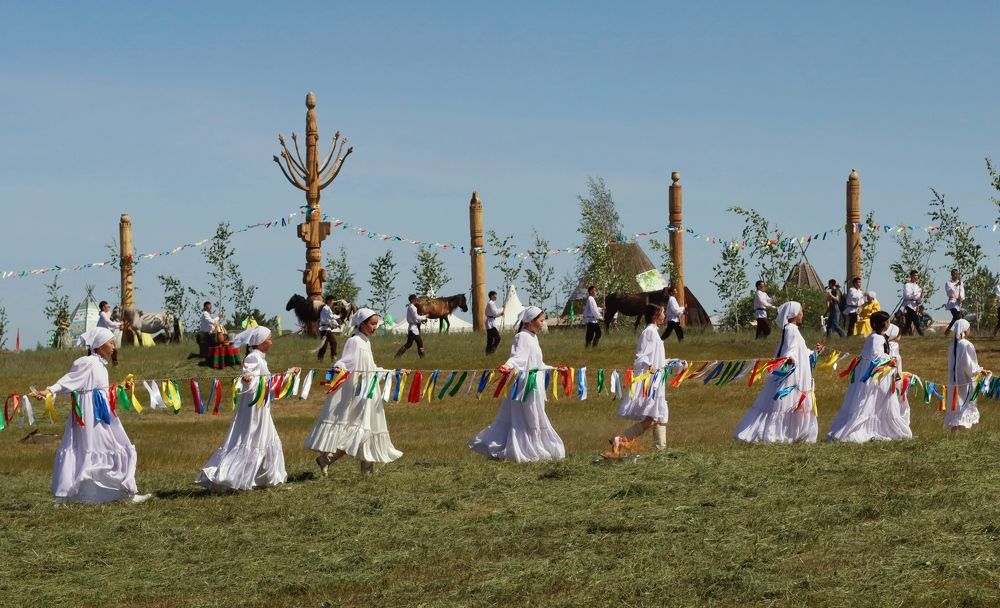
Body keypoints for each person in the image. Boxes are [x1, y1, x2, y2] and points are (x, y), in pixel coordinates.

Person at [31, 327, 149, 504]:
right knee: (98, 445)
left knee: (115, 443)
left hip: (101, 412)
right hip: (87, 414)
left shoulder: (101, 365)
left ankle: (118, 494)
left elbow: (100, 389)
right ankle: (84, 495)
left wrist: (119, 388)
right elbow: (68, 381)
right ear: (99, 345)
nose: (113, 347)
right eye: (110, 343)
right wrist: (49, 390)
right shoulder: (87, 362)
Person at [196, 326, 297, 492]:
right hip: (254, 410)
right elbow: (251, 377)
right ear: (260, 342)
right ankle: (230, 477)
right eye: (269, 338)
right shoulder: (253, 358)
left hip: (261, 407)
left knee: (266, 438)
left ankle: (265, 478)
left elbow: (268, 383)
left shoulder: (260, 358)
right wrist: (248, 378)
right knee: (251, 438)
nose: (271, 342)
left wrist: (288, 374)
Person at [306, 308, 403, 476]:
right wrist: (338, 368)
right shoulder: (355, 341)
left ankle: (367, 472)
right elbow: (345, 362)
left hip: (369, 394)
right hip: (358, 394)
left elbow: (371, 369)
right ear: (362, 324)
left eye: (376, 324)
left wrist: (393, 372)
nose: (375, 327)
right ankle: (326, 459)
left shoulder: (366, 341)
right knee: (360, 430)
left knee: (370, 429)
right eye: (372, 324)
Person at [469, 306, 566, 462]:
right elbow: (517, 358)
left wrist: (554, 368)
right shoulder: (522, 337)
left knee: (534, 416)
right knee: (530, 417)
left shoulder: (533, 337)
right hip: (525, 387)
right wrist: (507, 366)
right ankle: (528, 450)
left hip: (535, 384)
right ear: (530, 321)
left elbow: (537, 363)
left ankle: (531, 447)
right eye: (541, 321)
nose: (543, 324)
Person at [734, 302, 818, 443]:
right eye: (801, 311)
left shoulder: (790, 329)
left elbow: (799, 350)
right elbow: (790, 350)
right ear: (794, 314)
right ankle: (781, 433)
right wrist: (789, 358)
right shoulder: (791, 330)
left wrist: (814, 352)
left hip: (794, 369)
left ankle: (792, 432)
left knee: (788, 401)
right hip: (792, 373)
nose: (802, 314)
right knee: (786, 401)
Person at [826, 311, 912, 442]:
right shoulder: (876, 338)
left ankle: (883, 428)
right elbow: (877, 356)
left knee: (882, 402)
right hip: (876, 376)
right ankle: (867, 430)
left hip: (882, 374)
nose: (889, 324)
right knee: (872, 402)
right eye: (887, 322)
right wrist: (890, 359)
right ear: (883, 324)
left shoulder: (879, 337)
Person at [610, 304, 669, 452]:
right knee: (653, 417)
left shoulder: (655, 333)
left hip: (658, 380)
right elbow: (640, 356)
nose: (664, 315)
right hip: (652, 382)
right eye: (662, 312)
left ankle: (659, 451)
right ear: (656, 315)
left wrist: (670, 361)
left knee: (658, 416)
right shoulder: (649, 332)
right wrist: (649, 365)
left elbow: (657, 358)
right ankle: (622, 439)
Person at [945, 319, 988, 431]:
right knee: (964, 403)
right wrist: (980, 370)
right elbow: (969, 365)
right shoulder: (966, 345)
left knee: (956, 403)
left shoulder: (952, 344)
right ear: (965, 330)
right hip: (964, 380)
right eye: (969, 328)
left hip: (953, 380)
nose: (970, 330)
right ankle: (962, 428)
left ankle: (955, 428)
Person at [885, 323, 908, 427]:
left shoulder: (884, 344)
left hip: (885, 375)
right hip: (895, 375)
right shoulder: (894, 345)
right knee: (897, 395)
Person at [317, 295, 341, 361]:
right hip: (325, 329)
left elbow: (331, 319)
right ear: (328, 301)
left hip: (325, 329)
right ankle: (333, 357)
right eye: (331, 300)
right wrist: (339, 316)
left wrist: (337, 324)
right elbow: (331, 317)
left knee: (324, 346)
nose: (332, 301)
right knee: (334, 342)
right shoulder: (326, 308)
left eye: (332, 300)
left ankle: (320, 359)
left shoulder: (327, 308)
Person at [96, 300, 120, 365]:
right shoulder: (103, 314)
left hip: (105, 335)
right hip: (101, 335)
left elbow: (110, 326)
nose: (108, 308)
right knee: (110, 348)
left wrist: (118, 326)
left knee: (113, 348)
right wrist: (120, 324)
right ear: (103, 307)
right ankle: (114, 363)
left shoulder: (107, 314)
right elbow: (110, 324)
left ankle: (115, 363)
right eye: (107, 307)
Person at [902, 270, 924, 336]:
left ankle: (902, 334)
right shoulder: (907, 285)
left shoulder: (917, 286)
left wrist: (921, 293)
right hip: (908, 304)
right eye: (915, 275)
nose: (916, 277)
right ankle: (921, 334)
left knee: (908, 322)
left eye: (917, 275)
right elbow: (907, 295)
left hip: (914, 305)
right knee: (916, 318)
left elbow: (919, 299)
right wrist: (918, 291)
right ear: (911, 276)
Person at [944, 269, 965, 334]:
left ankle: (948, 331)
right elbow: (949, 292)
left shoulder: (960, 283)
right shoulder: (948, 283)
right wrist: (956, 285)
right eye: (954, 274)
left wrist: (961, 297)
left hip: (958, 303)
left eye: (957, 274)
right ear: (952, 275)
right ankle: (957, 332)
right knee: (957, 317)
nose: (955, 276)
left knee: (955, 318)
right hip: (952, 302)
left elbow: (962, 291)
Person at [485, 290, 504, 354]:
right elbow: (495, 312)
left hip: (491, 321)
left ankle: (488, 353)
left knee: (490, 339)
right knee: (497, 338)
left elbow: (494, 315)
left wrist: (500, 314)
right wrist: (502, 308)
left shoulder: (491, 303)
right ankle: (491, 351)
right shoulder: (491, 303)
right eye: (495, 295)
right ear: (492, 296)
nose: (496, 297)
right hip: (490, 323)